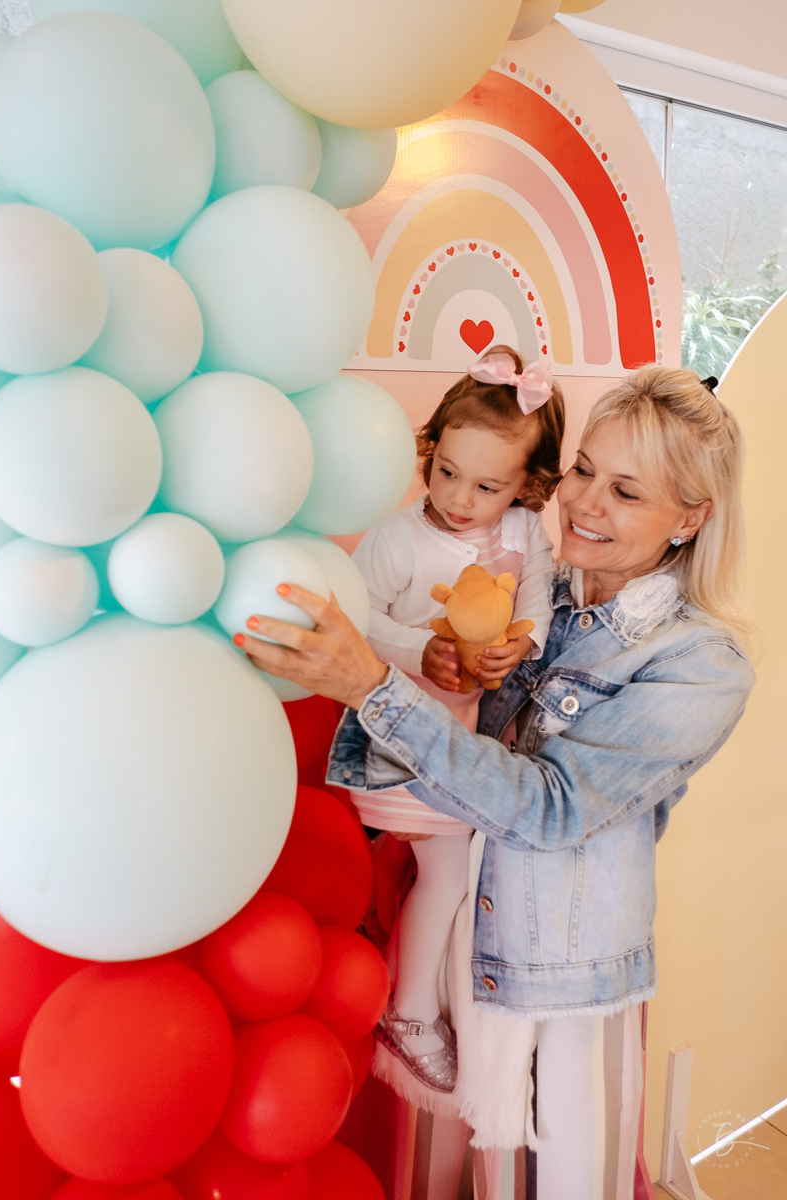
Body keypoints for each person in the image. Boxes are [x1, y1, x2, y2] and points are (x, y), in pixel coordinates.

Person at [234, 365, 755, 1198]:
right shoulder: (530, 595)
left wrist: (373, 683)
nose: (585, 504)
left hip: (567, 986)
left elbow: (548, 807)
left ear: (689, 519)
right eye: (584, 470)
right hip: (460, 957)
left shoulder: (700, 666)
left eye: (626, 491)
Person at [349, 345, 565, 1097]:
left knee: (448, 868)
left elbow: (536, 594)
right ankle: (408, 1015)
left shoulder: (526, 535)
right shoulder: (399, 538)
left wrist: (522, 641)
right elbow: (360, 619)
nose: (461, 499)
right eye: (446, 472)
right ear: (429, 450)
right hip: (393, 740)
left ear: (529, 488)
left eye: (487, 486)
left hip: (461, 741)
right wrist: (422, 647)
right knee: (446, 872)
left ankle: (405, 979)